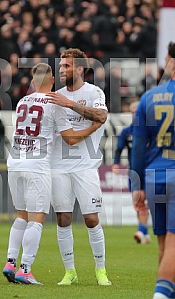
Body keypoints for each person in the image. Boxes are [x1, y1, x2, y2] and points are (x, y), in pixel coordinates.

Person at [3, 63, 101, 285]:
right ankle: (25, 268)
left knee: (21, 215)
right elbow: (71, 139)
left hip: (14, 162)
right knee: (36, 219)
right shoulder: (54, 104)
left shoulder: (22, 102)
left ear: (34, 81)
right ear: (52, 81)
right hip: (37, 165)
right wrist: (93, 128)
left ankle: (10, 262)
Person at [46, 48, 111, 286]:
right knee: (63, 218)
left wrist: (70, 104)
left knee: (91, 219)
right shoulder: (56, 97)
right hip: (58, 166)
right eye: (61, 66)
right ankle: (70, 271)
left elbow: (101, 116)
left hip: (85, 166)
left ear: (80, 69)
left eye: (67, 66)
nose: (62, 70)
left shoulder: (94, 92)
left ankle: (101, 270)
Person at [131, 42, 175, 299]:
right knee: (173, 242)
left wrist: (136, 187)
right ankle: (160, 295)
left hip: (154, 176)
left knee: (163, 243)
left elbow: (137, 148)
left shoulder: (149, 97)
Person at [112, 101, 151, 244]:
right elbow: (119, 149)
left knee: (149, 201)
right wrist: (116, 163)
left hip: (151, 171)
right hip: (134, 172)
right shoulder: (127, 131)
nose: (136, 115)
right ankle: (143, 231)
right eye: (133, 112)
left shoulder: (150, 131)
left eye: (138, 112)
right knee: (138, 201)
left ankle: (142, 230)